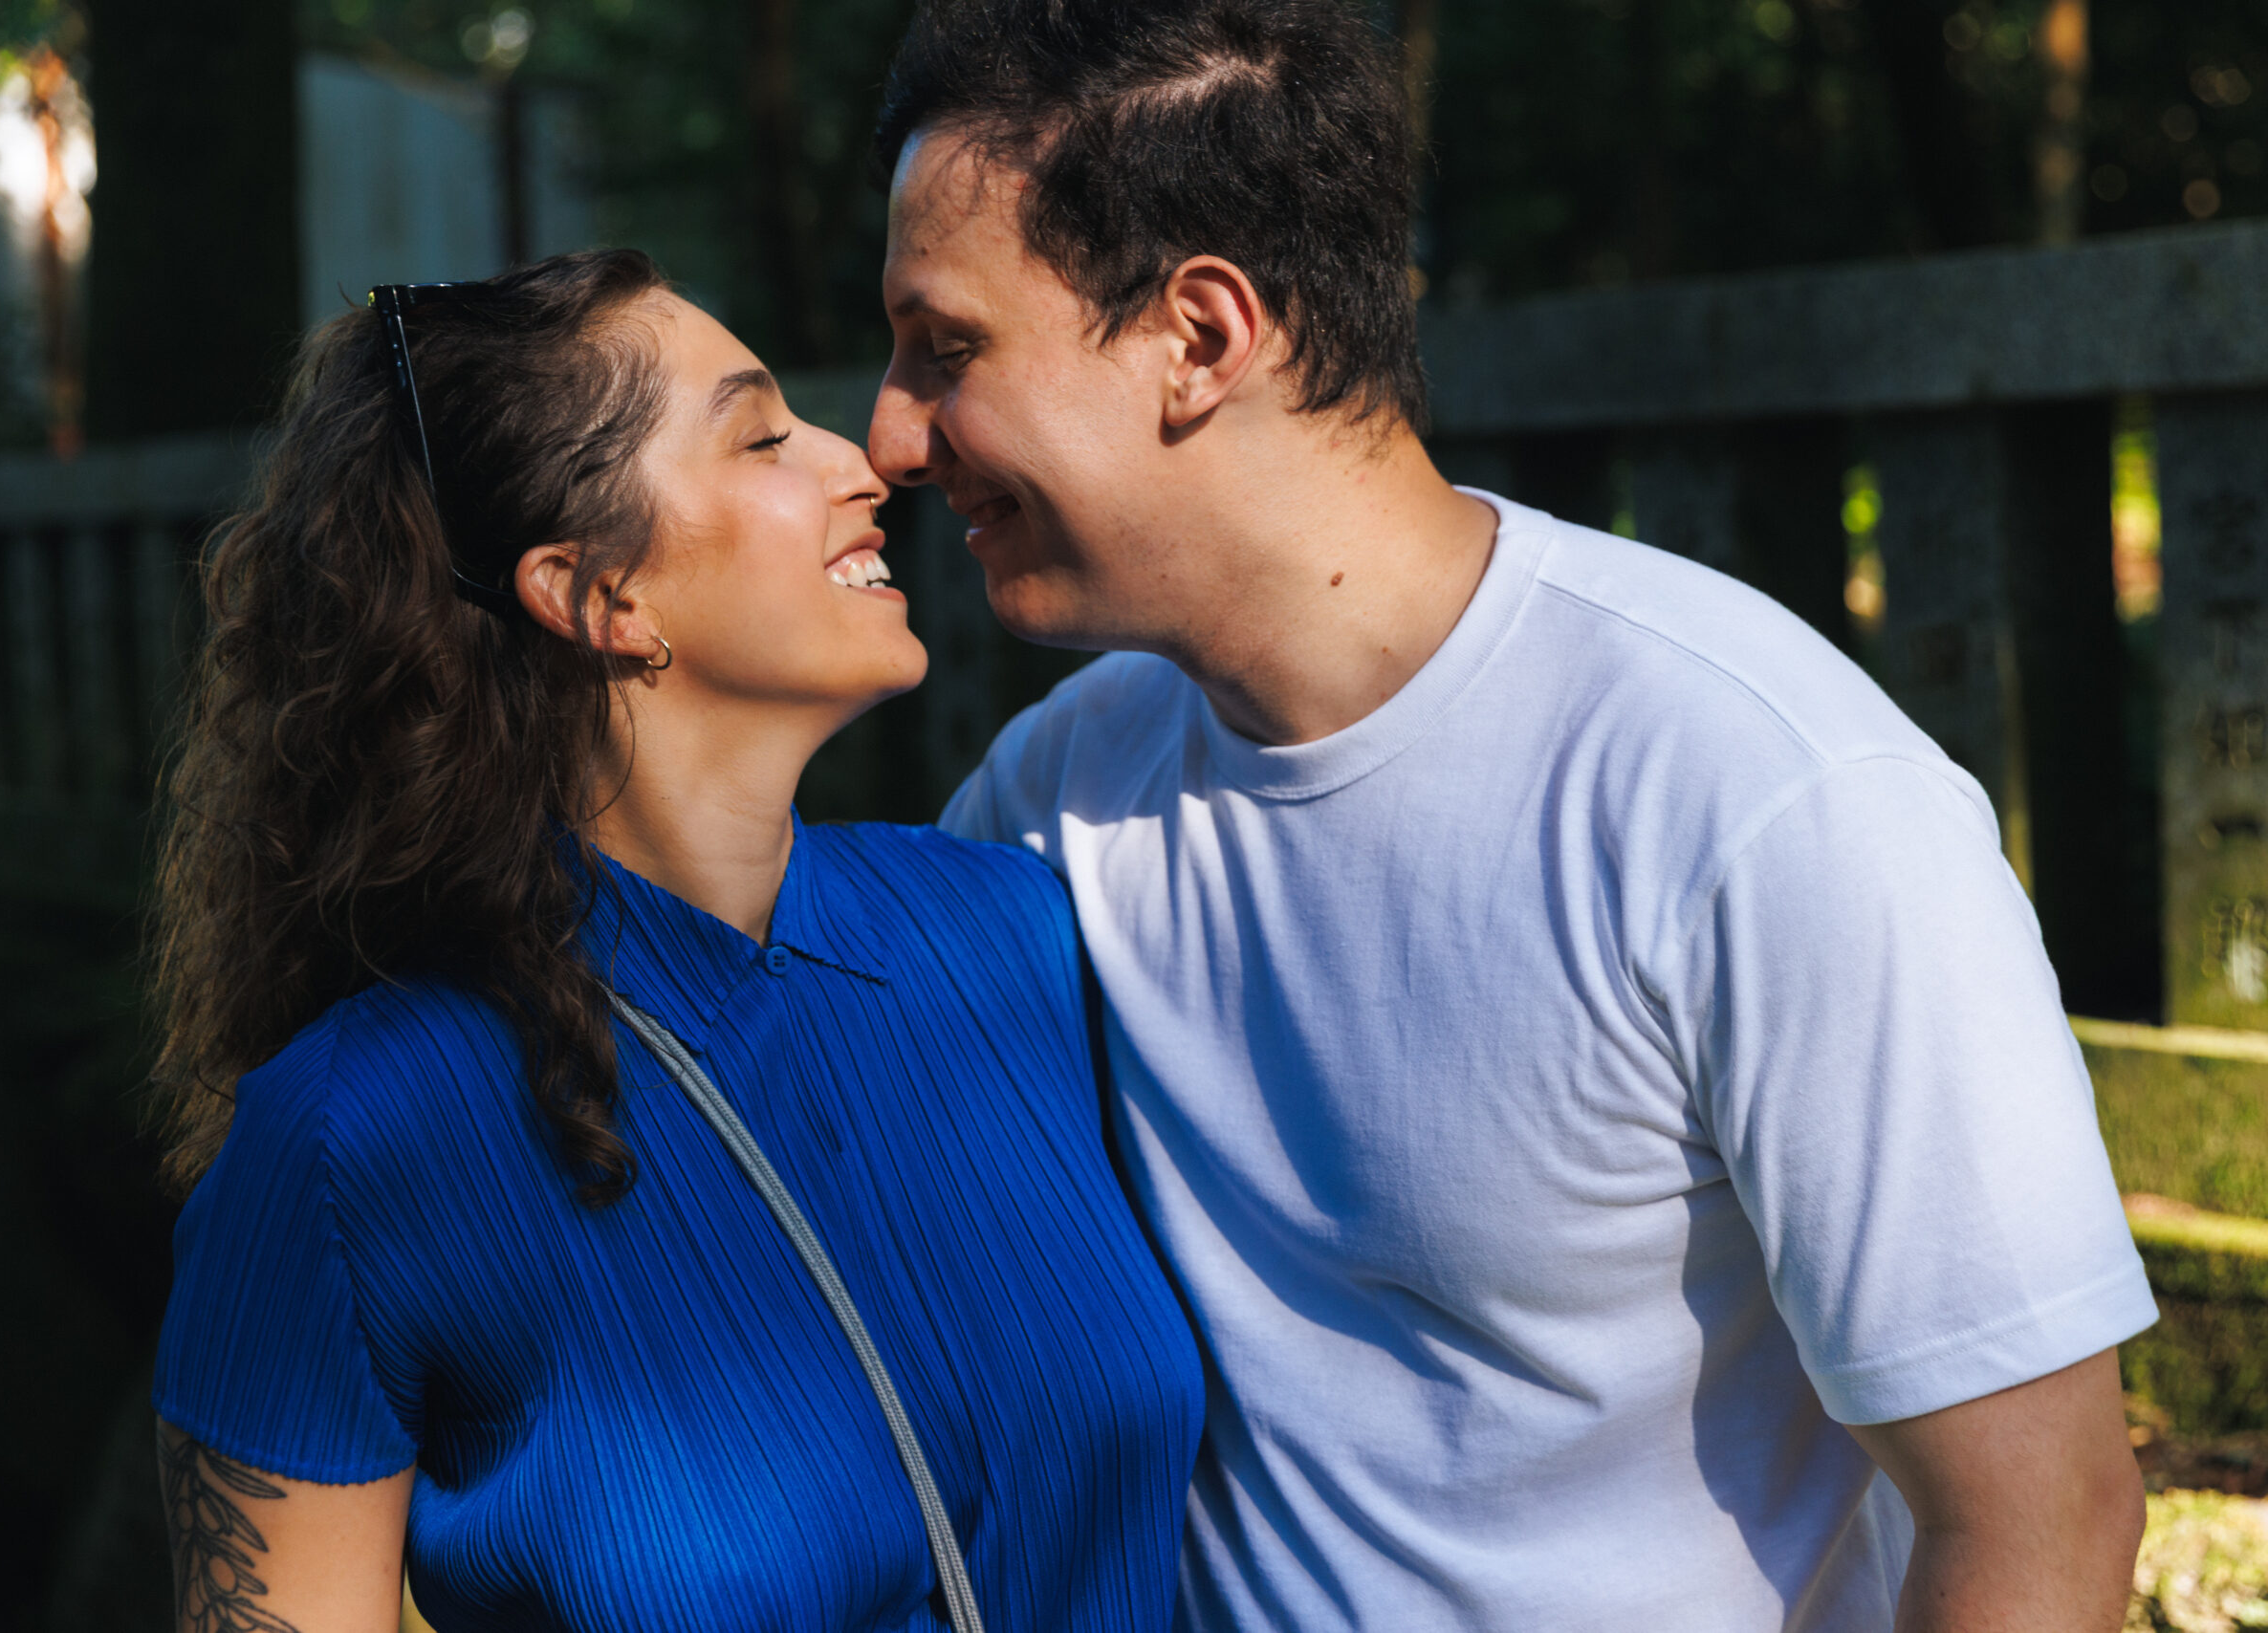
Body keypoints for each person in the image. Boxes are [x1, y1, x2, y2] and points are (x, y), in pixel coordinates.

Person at [864, 3, 2157, 1629]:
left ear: (1201, 335)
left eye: (949, 347)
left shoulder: (1756, 789)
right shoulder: (1061, 797)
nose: (893, 437)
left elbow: (2040, 1525)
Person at [147, 250, 1202, 1633]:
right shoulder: (354, 1137)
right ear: (599, 599)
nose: (864, 464)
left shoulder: (1013, 933)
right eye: (763, 437)